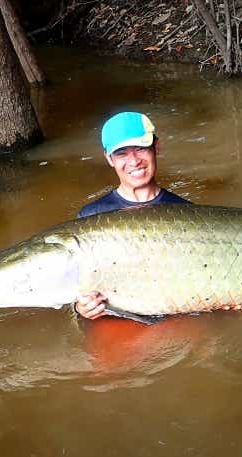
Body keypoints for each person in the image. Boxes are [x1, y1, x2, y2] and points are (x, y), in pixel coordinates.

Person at [76, 111, 191, 319]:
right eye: (122, 153)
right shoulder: (91, 217)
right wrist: (80, 307)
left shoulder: (185, 211)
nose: (134, 161)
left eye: (140, 149)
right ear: (109, 159)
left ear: (156, 147)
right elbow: (77, 288)